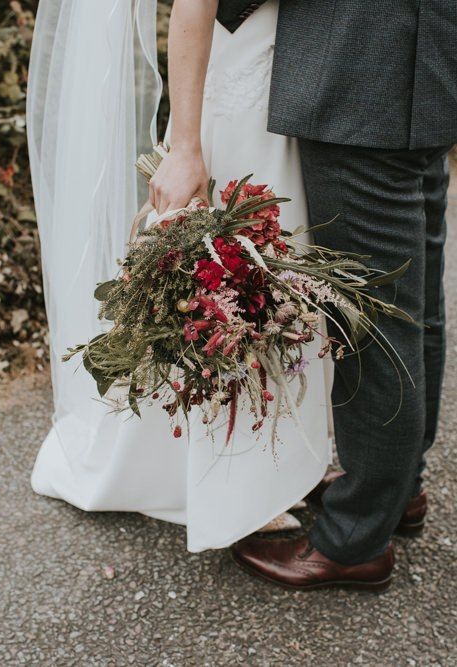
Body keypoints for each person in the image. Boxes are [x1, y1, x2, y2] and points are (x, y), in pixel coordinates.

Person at [27, 0, 455, 590]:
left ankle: (358, 537)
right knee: (413, 294)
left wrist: (184, 148)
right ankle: (395, 488)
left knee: (376, 319)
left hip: (361, 79)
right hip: (421, 61)